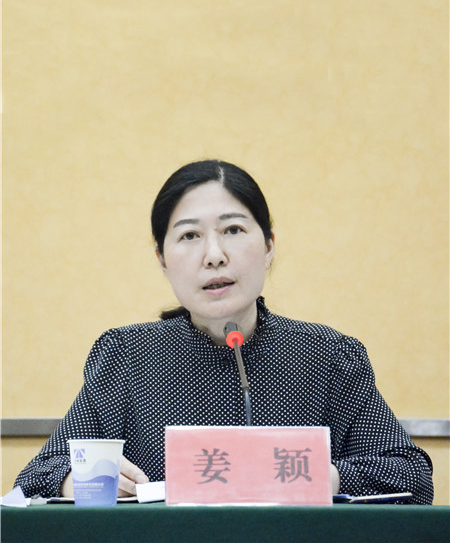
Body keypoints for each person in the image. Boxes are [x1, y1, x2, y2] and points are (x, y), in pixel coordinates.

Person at [14, 159, 433, 503]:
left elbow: (411, 477)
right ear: (162, 260)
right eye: (189, 235)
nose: (214, 255)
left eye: (233, 230)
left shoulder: (327, 356)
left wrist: (327, 477)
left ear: (268, 246)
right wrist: (75, 482)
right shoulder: (127, 356)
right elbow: (36, 477)